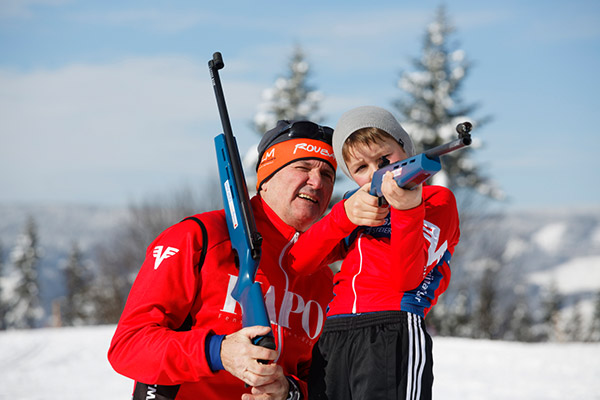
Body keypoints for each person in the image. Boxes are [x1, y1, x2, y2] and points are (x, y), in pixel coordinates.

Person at [108, 120, 372, 400]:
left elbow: (323, 384)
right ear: (266, 179)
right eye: (302, 167)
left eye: (328, 174)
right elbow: (128, 347)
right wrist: (218, 351)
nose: (317, 182)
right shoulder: (200, 237)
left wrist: (290, 391)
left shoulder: (323, 280)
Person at [287, 106, 460, 399]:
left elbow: (406, 278)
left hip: (393, 328)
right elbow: (299, 262)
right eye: (360, 168)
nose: (376, 172)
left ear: (405, 150)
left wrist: (407, 211)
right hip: (334, 335)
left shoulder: (436, 202)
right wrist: (343, 216)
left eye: (384, 159)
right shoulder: (357, 207)